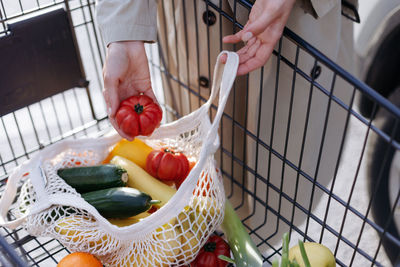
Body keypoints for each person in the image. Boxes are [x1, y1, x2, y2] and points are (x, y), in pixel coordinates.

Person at [96, 0, 357, 255]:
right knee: (200, 179)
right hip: (196, 27)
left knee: (280, 181)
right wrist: (124, 32)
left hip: (289, 24)